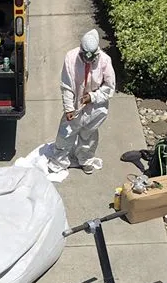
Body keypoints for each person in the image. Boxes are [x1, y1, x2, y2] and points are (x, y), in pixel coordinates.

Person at [47, 29, 116, 175]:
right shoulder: (71, 58)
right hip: (76, 104)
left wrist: (93, 97)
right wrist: (69, 108)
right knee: (66, 133)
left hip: (96, 107)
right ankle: (59, 161)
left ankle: (85, 160)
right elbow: (66, 85)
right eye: (85, 55)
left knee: (88, 135)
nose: (88, 59)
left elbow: (109, 87)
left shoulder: (105, 60)